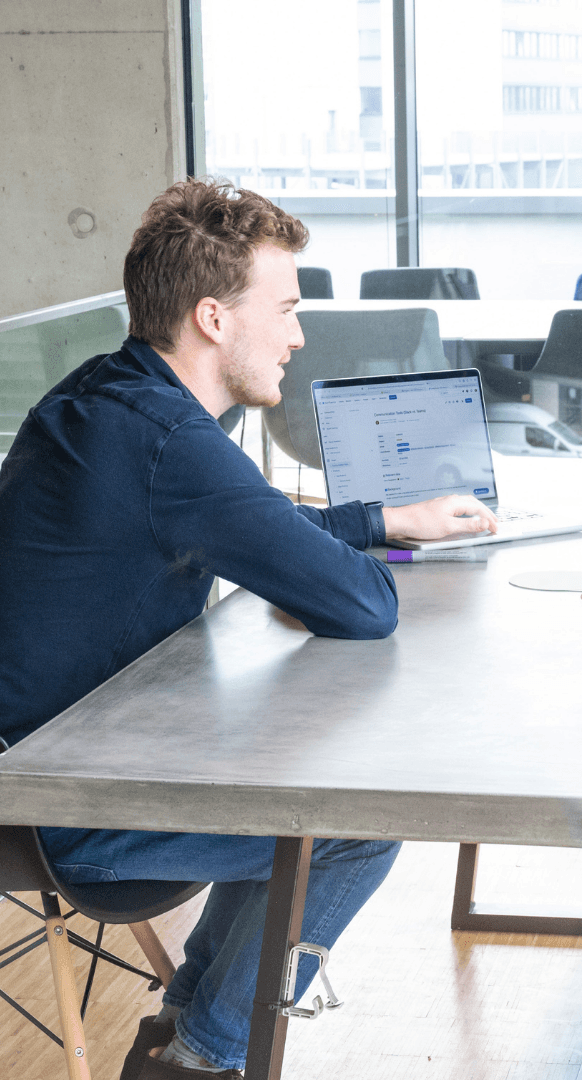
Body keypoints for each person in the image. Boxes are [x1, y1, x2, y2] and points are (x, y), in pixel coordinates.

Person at [0, 179, 498, 1078]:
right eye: (288, 308)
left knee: (303, 810)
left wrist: (381, 521)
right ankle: (204, 1057)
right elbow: (363, 606)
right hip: (63, 809)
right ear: (214, 319)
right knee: (352, 828)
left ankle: (185, 1030)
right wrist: (357, 550)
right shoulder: (171, 444)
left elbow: (241, 519)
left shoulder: (112, 397)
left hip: (42, 762)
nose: (300, 336)